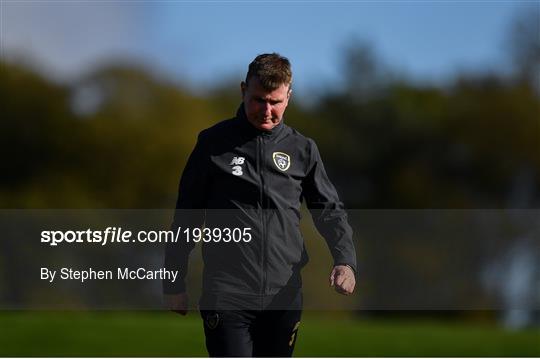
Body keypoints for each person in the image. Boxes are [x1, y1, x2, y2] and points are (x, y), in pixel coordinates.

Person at [164, 53, 356, 357]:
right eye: (258, 100)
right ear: (243, 90)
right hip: (227, 293)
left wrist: (344, 260)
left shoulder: (303, 149)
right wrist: (173, 282)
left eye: (275, 102)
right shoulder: (213, 143)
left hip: (284, 294)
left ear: (289, 97)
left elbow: (329, 210)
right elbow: (186, 217)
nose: (267, 110)